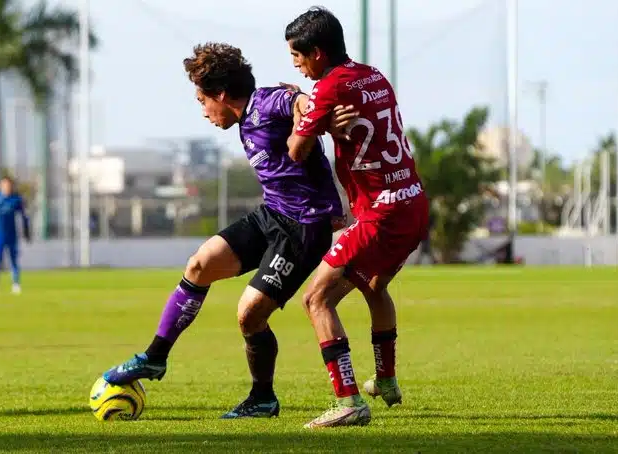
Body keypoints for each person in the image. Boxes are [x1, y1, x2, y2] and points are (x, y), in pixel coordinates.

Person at [103, 42, 358, 419]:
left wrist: (306, 104)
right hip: (272, 215)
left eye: (203, 101)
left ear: (221, 94)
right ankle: (155, 358)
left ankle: (262, 398)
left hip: (303, 228)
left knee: (249, 314)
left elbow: (295, 102)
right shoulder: (246, 119)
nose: (204, 112)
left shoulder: (264, 102)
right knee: (199, 265)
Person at [284, 7, 430, 428]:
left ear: (316, 52)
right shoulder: (373, 74)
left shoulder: (329, 88)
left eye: (297, 55)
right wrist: (330, 125)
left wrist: (313, 121)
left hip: (381, 212)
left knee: (317, 299)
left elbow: (296, 150)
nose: (295, 63)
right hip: (413, 200)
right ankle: (385, 380)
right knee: (374, 284)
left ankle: (348, 401)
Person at [0, 176, 31, 294]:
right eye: (4, 185)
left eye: (8, 185)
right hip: (0, 235)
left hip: (12, 235)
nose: (6, 187)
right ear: (1, 186)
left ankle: (16, 283)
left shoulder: (16, 200)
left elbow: (24, 216)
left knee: (14, 259)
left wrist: (26, 231)